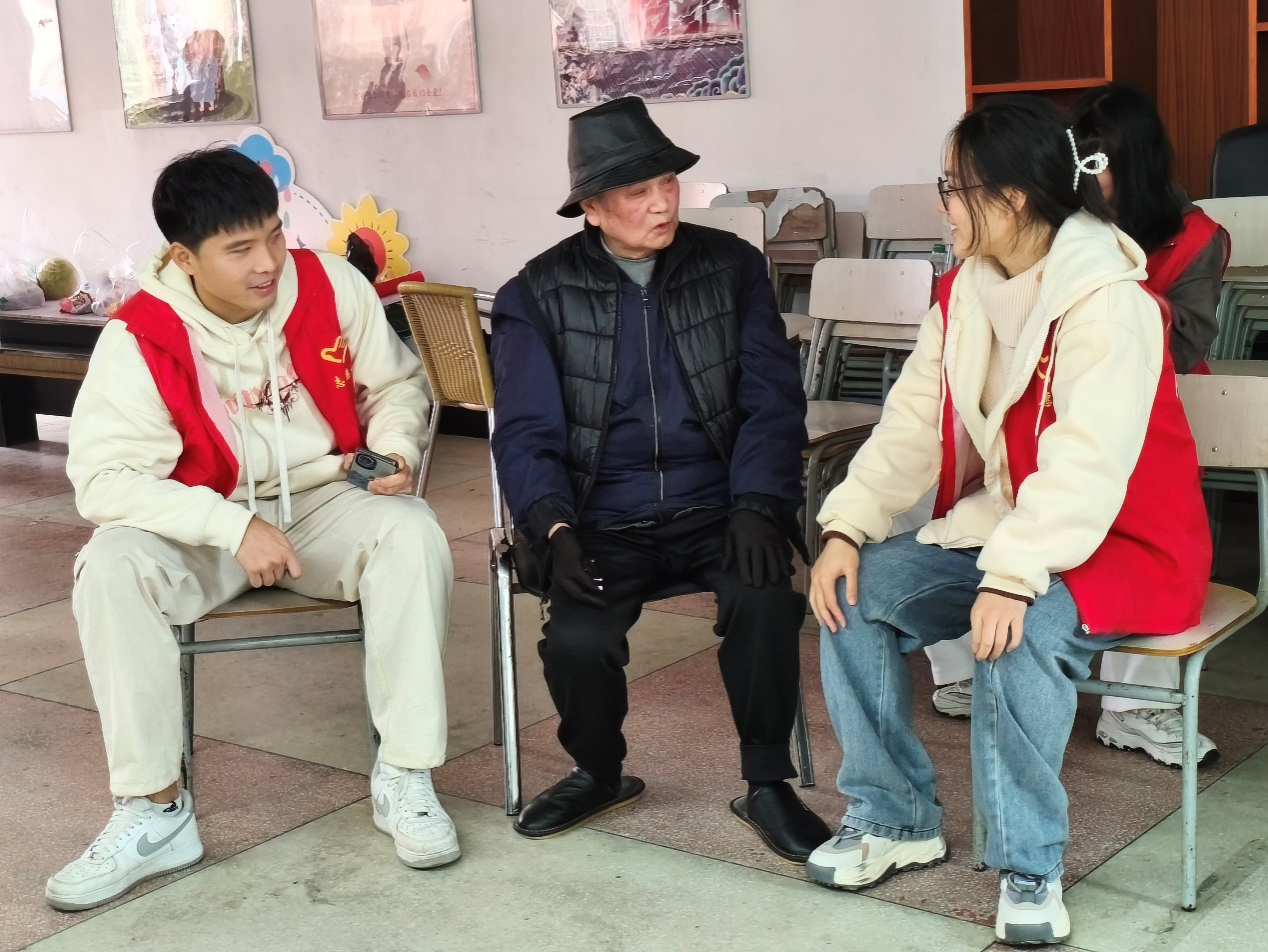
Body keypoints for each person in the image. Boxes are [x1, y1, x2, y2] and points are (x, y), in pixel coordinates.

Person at [805, 96, 1210, 946]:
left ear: (1013, 198)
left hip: (1127, 539)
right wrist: (846, 528)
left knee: (1016, 633)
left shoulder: (1111, 301)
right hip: (1020, 527)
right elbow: (911, 424)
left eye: (952, 189)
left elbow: (1087, 466)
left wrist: (1014, 577)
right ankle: (894, 817)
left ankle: (1030, 863)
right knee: (854, 592)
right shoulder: (964, 292)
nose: (943, 207)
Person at [46, 148, 457, 912]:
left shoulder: (330, 284)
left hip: (325, 496)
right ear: (184, 257)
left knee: (412, 533)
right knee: (110, 567)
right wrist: (230, 526)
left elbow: (396, 384)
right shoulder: (141, 336)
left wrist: (394, 448)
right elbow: (102, 481)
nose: (268, 262)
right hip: (198, 518)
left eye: (273, 234)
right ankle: (156, 811)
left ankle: (405, 777)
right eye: (239, 249)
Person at [489, 96, 829, 862]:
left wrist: (759, 504)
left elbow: (772, 400)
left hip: (719, 507)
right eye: (637, 191)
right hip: (603, 519)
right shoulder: (535, 295)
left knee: (766, 598)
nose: (662, 203)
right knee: (577, 638)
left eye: (668, 183)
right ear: (591, 208)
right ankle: (598, 773)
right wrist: (551, 525)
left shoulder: (731, 268)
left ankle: (767, 783)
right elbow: (526, 431)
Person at [923, 83, 1229, 770]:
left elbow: (1187, 342)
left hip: (1152, 403)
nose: (1084, 170)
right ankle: (967, 668)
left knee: (1141, 522)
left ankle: (1134, 705)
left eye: (1099, 157)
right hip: (1053, 402)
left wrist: (1105, 300)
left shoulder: (1193, 237)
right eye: (1078, 154)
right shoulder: (1041, 236)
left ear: (1135, 161)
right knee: (961, 502)